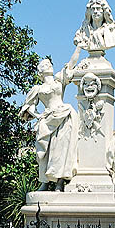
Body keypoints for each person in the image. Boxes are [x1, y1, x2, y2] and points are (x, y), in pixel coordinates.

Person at [19, 47, 81, 191]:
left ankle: (59, 182)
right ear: (40, 72)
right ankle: (45, 182)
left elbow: (71, 63)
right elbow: (29, 106)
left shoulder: (59, 81)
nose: (49, 65)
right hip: (47, 120)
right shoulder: (38, 89)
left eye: (49, 64)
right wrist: (38, 116)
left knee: (60, 150)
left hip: (64, 116)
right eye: (45, 65)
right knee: (43, 153)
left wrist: (78, 47)